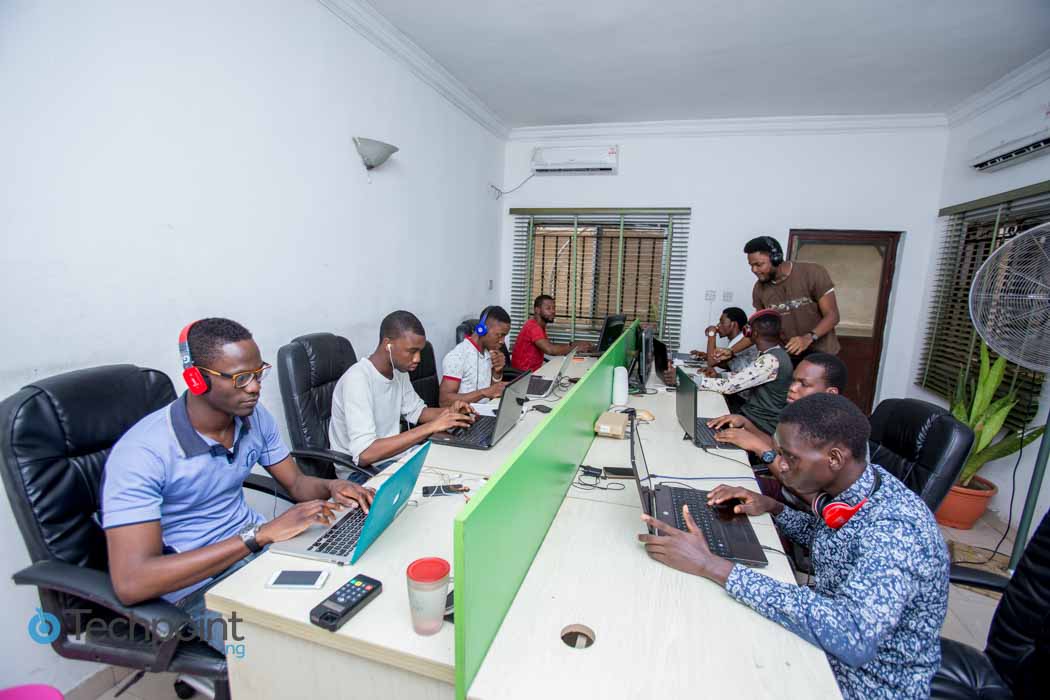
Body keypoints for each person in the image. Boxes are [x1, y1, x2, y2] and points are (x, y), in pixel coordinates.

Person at [639, 393, 949, 700]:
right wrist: (774, 508)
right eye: (778, 453)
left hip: (866, 682)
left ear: (835, 458)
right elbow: (832, 540)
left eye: (790, 458)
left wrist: (712, 565)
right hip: (827, 644)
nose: (780, 466)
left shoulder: (896, 531)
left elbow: (852, 637)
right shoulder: (857, 488)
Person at [102, 318, 377, 652]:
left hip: (260, 554)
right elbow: (132, 581)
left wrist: (333, 486)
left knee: (353, 606)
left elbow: (297, 483)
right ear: (196, 379)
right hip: (197, 590)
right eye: (240, 378)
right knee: (289, 654)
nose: (255, 387)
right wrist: (257, 535)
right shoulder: (142, 453)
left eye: (258, 373)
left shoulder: (254, 418)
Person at [329, 310, 475, 474]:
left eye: (420, 351)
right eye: (412, 351)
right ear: (388, 345)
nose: (418, 358)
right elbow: (365, 454)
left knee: (462, 465)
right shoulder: (357, 379)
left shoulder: (399, 372)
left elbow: (417, 412)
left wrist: (451, 413)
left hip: (394, 459)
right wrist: (431, 427)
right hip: (360, 473)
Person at [666, 310, 791, 436]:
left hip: (759, 423)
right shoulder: (773, 353)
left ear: (752, 333)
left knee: (700, 424)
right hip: (752, 415)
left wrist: (685, 379)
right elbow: (746, 376)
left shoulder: (771, 360)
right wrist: (719, 376)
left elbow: (729, 387)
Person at [708, 352, 847, 462]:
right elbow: (776, 447)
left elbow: (801, 486)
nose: (792, 388)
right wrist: (746, 424)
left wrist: (757, 446)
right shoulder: (795, 411)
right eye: (793, 381)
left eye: (804, 384)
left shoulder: (832, 432)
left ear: (830, 394)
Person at [730, 236, 841, 360]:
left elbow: (832, 315)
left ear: (776, 258)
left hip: (822, 354)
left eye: (759, 264)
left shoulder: (813, 273)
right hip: (789, 357)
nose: (754, 270)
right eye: (751, 265)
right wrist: (731, 351)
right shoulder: (759, 289)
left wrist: (808, 338)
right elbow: (760, 329)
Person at [440, 305, 511, 406]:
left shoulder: (489, 353)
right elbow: (444, 401)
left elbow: (492, 393)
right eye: (500, 335)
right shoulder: (457, 356)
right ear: (482, 329)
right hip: (465, 418)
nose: (502, 341)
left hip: (485, 413)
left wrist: (497, 372)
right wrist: (483, 393)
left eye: (505, 336)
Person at [511, 294, 593, 372]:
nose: (553, 311)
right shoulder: (533, 327)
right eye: (548, 308)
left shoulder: (538, 326)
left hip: (533, 372)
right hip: (523, 376)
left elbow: (550, 346)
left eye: (554, 308)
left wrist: (573, 345)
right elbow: (550, 349)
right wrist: (576, 348)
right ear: (537, 310)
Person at [693, 306, 757, 373]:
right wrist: (706, 356)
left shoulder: (740, 339)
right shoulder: (738, 338)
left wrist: (712, 334)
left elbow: (711, 362)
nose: (717, 326)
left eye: (722, 322)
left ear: (733, 324)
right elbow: (727, 364)